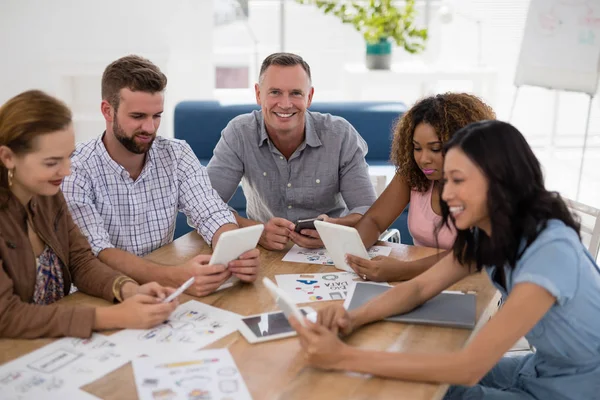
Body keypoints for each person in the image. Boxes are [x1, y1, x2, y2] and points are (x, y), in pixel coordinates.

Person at [290, 120, 600, 399]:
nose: (447, 194)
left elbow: (469, 368)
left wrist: (342, 357)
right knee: (417, 382)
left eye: (458, 180)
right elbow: (419, 289)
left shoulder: (550, 250)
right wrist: (351, 318)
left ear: (500, 180)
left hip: (577, 390)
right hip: (541, 370)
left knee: (428, 390)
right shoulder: (490, 232)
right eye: (446, 181)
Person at [61, 55, 260, 297]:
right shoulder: (76, 169)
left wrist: (233, 250)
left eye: (156, 116)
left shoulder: (176, 154)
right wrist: (176, 277)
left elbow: (211, 212)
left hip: (164, 292)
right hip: (101, 293)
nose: (149, 128)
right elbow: (97, 252)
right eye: (138, 116)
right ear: (107, 110)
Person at [0, 90, 179, 339]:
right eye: (52, 162)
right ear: (8, 157)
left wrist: (128, 289)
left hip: (52, 341)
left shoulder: (48, 196)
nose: (66, 172)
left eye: (67, 157)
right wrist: (113, 317)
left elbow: (81, 262)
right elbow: (6, 315)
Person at [207, 52, 377, 251]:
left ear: (310, 96)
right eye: (275, 92)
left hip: (330, 252)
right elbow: (204, 205)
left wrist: (333, 229)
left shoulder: (340, 135)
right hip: (261, 252)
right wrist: (256, 231)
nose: (285, 104)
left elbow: (369, 213)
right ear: (258, 94)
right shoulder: (239, 133)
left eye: (296, 93)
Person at [349, 93, 495, 282]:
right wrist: (352, 254)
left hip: (475, 283)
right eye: (417, 148)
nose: (423, 159)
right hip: (423, 283)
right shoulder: (413, 174)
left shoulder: (487, 186)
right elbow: (375, 220)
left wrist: (403, 270)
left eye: (435, 149)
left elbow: (471, 254)